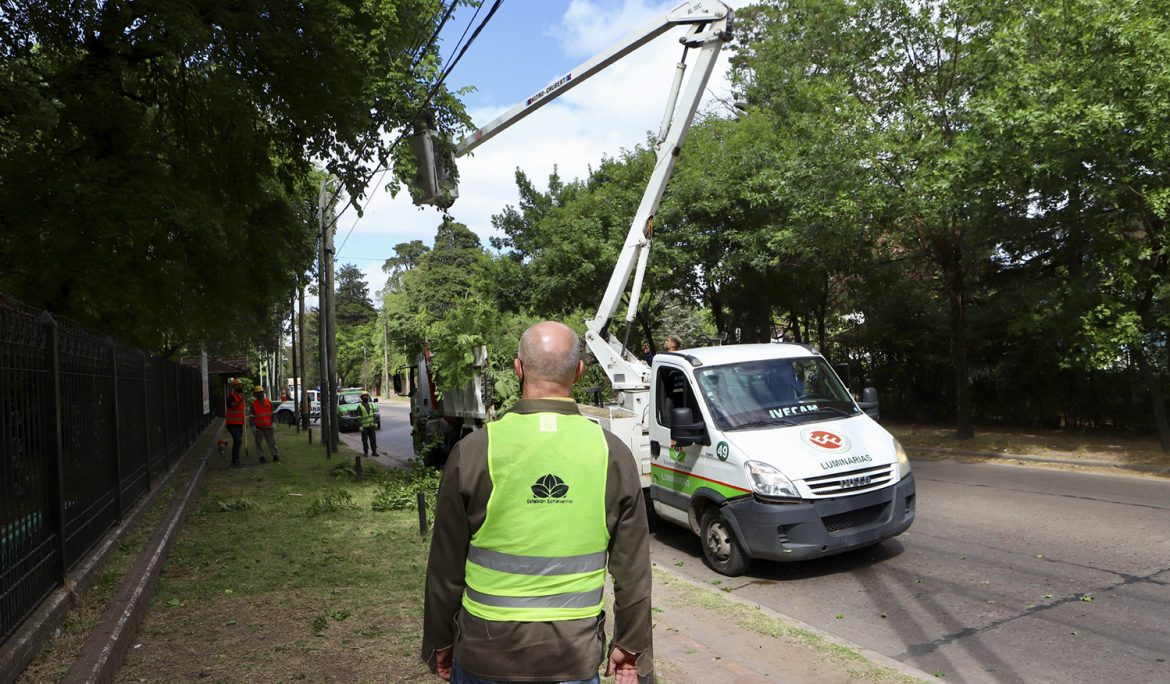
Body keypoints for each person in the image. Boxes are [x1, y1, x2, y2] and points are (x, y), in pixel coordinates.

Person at [422, 321, 653, 684]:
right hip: (572, 657)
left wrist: (439, 640)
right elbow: (634, 571)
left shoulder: (473, 451)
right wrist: (631, 645)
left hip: (486, 653)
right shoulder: (612, 454)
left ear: (518, 369)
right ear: (578, 372)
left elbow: (445, 568)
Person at [250, 386, 279, 463]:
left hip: (269, 427)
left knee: (272, 442)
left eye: (261, 392)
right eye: (258, 393)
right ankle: (261, 457)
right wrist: (252, 426)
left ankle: (275, 455)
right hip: (258, 428)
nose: (261, 394)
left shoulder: (269, 402)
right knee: (258, 443)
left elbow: (273, 414)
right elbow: (251, 417)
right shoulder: (254, 404)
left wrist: (273, 423)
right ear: (256, 394)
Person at [225, 379, 246, 468]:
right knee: (238, 440)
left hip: (239, 423)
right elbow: (233, 406)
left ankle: (236, 460)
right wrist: (241, 400)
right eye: (238, 385)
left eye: (240, 385)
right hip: (232, 424)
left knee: (238, 442)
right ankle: (234, 461)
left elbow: (240, 410)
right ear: (234, 387)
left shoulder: (238, 396)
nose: (240, 387)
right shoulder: (231, 397)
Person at [358, 391, 379, 457]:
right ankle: (366, 452)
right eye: (364, 396)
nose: (365, 397)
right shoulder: (360, 407)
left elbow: (373, 415)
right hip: (364, 427)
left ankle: (374, 452)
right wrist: (360, 426)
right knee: (365, 441)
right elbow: (359, 418)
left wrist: (375, 423)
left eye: (366, 396)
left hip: (371, 426)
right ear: (361, 398)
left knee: (373, 440)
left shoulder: (371, 405)